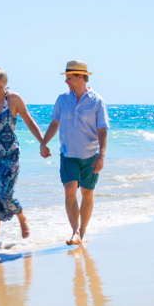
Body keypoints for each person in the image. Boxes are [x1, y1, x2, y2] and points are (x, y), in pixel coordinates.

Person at [0, 67, 46, 249]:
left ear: (5, 84)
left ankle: (21, 217)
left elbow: (29, 121)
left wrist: (43, 142)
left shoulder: (14, 99)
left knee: (5, 194)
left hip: (10, 156)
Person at [40, 60, 108, 245]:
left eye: (69, 77)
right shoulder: (62, 99)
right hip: (68, 154)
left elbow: (102, 130)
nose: (66, 81)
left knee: (87, 192)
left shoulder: (97, 101)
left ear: (80, 77)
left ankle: (82, 232)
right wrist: (44, 143)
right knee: (69, 190)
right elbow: (55, 123)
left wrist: (101, 155)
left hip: (91, 156)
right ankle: (75, 231)